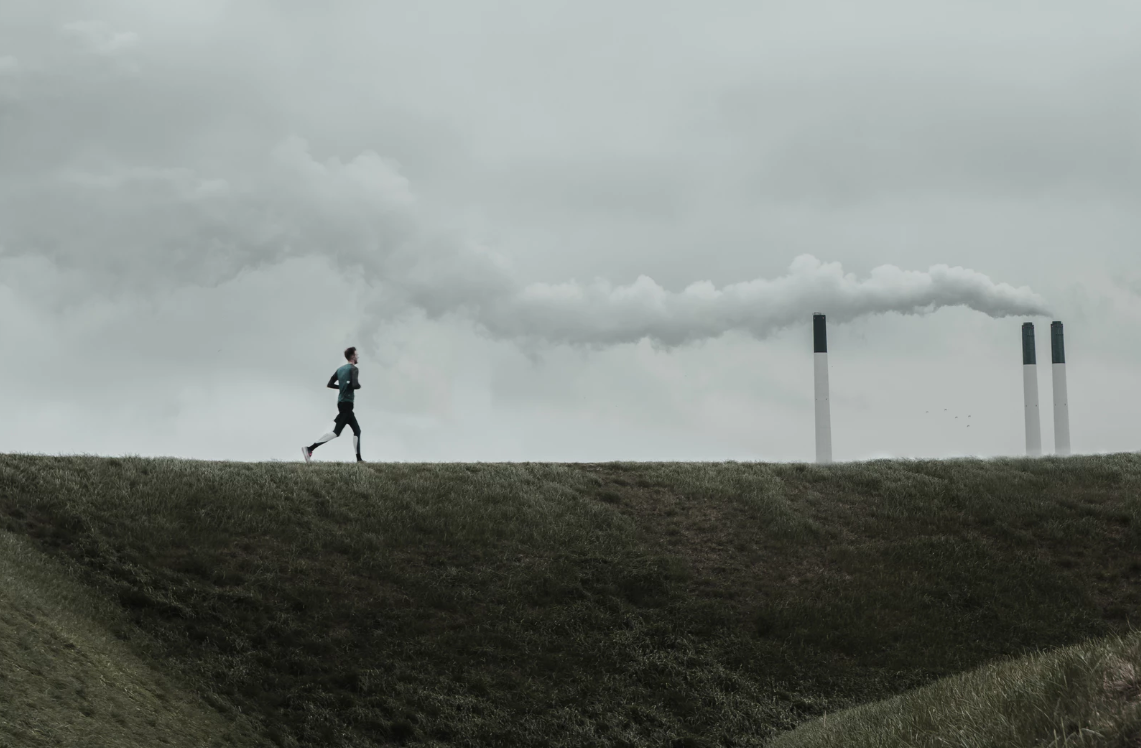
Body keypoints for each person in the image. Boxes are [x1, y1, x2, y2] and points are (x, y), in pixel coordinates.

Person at [303, 346, 363, 463]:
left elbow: (330, 384)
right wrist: (357, 386)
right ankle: (309, 448)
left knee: (357, 430)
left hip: (342, 403)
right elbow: (355, 385)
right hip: (347, 404)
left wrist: (342, 387)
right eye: (356, 354)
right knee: (336, 432)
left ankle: (359, 459)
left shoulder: (340, 370)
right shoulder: (354, 369)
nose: (358, 356)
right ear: (352, 356)